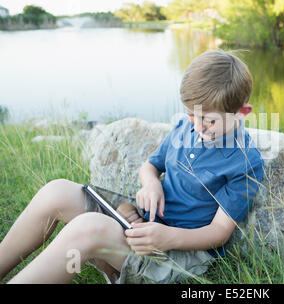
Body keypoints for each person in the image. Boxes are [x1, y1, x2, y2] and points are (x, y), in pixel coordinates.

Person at [0, 49, 264, 284]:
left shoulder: (245, 161)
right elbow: (150, 166)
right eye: (191, 115)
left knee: (88, 227)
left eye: (209, 121)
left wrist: (168, 237)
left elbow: (218, 232)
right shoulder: (186, 129)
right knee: (56, 192)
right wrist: (151, 185)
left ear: (243, 113)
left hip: (174, 255)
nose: (196, 126)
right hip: (142, 223)